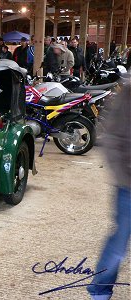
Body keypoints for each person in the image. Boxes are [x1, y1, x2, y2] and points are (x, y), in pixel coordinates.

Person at [87, 81, 131, 300]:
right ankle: (100, 290)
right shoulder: (128, 94)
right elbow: (112, 138)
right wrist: (125, 175)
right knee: (119, 245)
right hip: (129, 187)